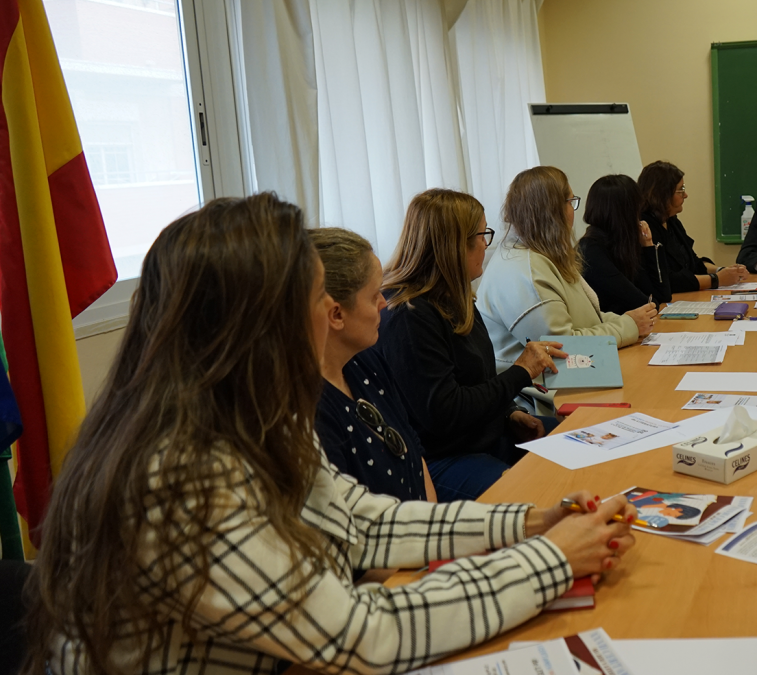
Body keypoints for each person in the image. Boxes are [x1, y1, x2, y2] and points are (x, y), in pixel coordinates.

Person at [21, 193, 638, 675]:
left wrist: (529, 524)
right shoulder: (183, 475)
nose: (330, 312)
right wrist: (550, 561)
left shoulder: (238, 420)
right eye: (318, 297)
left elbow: (360, 520)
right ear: (260, 325)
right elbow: (361, 635)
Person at [377, 189, 566, 501]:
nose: (485, 244)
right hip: (441, 458)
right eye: (482, 235)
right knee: (535, 495)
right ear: (454, 246)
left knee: (577, 440)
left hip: (480, 436)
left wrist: (509, 414)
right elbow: (445, 413)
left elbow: (476, 378)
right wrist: (520, 372)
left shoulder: (453, 294)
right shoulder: (410, 316)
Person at [478, 166, 657, 370]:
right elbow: (562, 348)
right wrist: (629, 325)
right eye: (571, 202)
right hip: (541, 394)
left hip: (570, 377)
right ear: (553, 210)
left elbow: (588, 318)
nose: (573, 211)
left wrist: (630, 321)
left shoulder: (543, 254)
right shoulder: (525, 271)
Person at [309, 227, 435, 502]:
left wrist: (434, 519)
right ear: (336, 314)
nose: (383, 304)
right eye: (374, 295)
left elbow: (412, 449)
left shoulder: (366, 361)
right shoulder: (313, 413)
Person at [638, 160, 747, 291]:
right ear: (663, 194)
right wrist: (716, 279)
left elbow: (693, 263)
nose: (686, 195)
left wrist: (725, 270)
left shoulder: (672, 221)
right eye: (680, 190)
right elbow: (666, 278)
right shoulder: (644, 227)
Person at [578, 174, 671, 313]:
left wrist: (649, 245)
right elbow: (645, 303)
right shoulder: (592, 251)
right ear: (625, 212)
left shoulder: (620, 243)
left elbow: (663, 295)